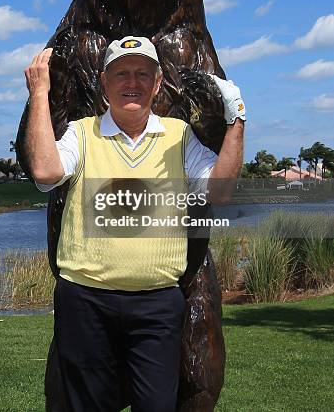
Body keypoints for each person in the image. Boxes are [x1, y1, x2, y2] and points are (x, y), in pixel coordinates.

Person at [24, 36, 245, 412]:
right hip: (86, 300)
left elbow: (219, 193)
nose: (132, 82)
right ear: (104, 82)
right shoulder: (81, 133)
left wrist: (236, 118)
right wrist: (39, 94)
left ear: (157, 83)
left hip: (157, 304)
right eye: (121, 73)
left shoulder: (179, 136)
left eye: (143, 73)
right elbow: (45, 172)